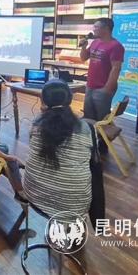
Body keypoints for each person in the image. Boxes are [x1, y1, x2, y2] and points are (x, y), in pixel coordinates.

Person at [23, 80, 93, 220]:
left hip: (34, 194)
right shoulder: (85, 128)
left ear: (43, 100)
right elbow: (89, 157)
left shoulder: (37, 123)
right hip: (74, 204)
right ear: (69, 99)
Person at [80, 18, 125, 122]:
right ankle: (90, 132)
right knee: (88, 117)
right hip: (90, 85)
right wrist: (83, 47)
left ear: (106, 29)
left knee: (101, 119)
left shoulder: (116, 46)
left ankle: (100, 134)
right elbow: (83, 58)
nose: (93, 29)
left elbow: (116, 68)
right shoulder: (95, 42)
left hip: (103, 88)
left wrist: (107, 88)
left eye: (96, 27)